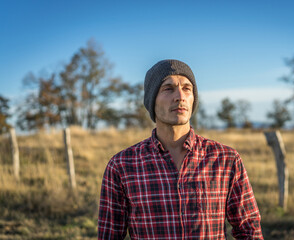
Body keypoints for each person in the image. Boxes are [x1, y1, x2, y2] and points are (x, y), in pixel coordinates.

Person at [98, 59, 263, 239]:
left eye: (187, 88)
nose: (180, 96)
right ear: (151, 100)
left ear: (193, 99)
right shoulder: (122, 165)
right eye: (168, 88)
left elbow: (249, 230)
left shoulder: (226, 159)